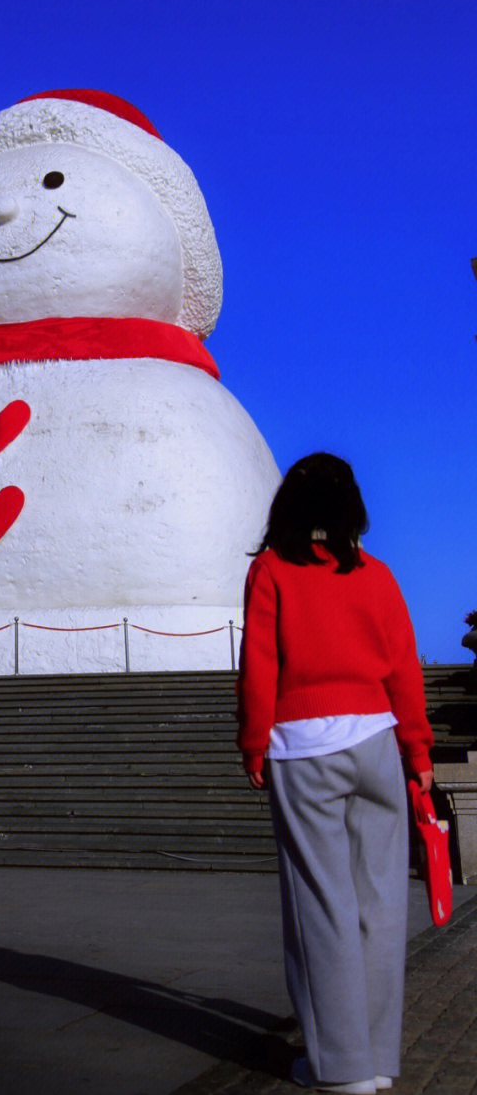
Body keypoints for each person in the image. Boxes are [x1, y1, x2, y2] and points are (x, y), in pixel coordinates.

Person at [236, 452, 434, 1095]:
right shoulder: (377, 575)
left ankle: (338, 1069)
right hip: (376, 742)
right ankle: (377, 1062)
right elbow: (405, 666)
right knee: (380, 905)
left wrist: (253, 744)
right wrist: (420, 753)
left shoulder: (271, 572)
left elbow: (261, 663)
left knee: (322, 905)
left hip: (303, 746)